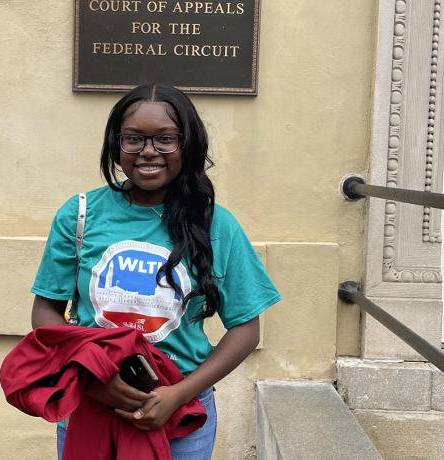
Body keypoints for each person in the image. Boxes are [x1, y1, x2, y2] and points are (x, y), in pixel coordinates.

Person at [30, 83, 281, 460]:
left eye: (166, 139)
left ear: (188, 144)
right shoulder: (80, 215)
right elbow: (46, 312)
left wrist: (179, 393)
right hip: (90, 405)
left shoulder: (215, 225)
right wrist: (92, 378)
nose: (148, 151)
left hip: (179, 417)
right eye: (133, 139)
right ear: (116, 144)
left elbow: (246, 327)